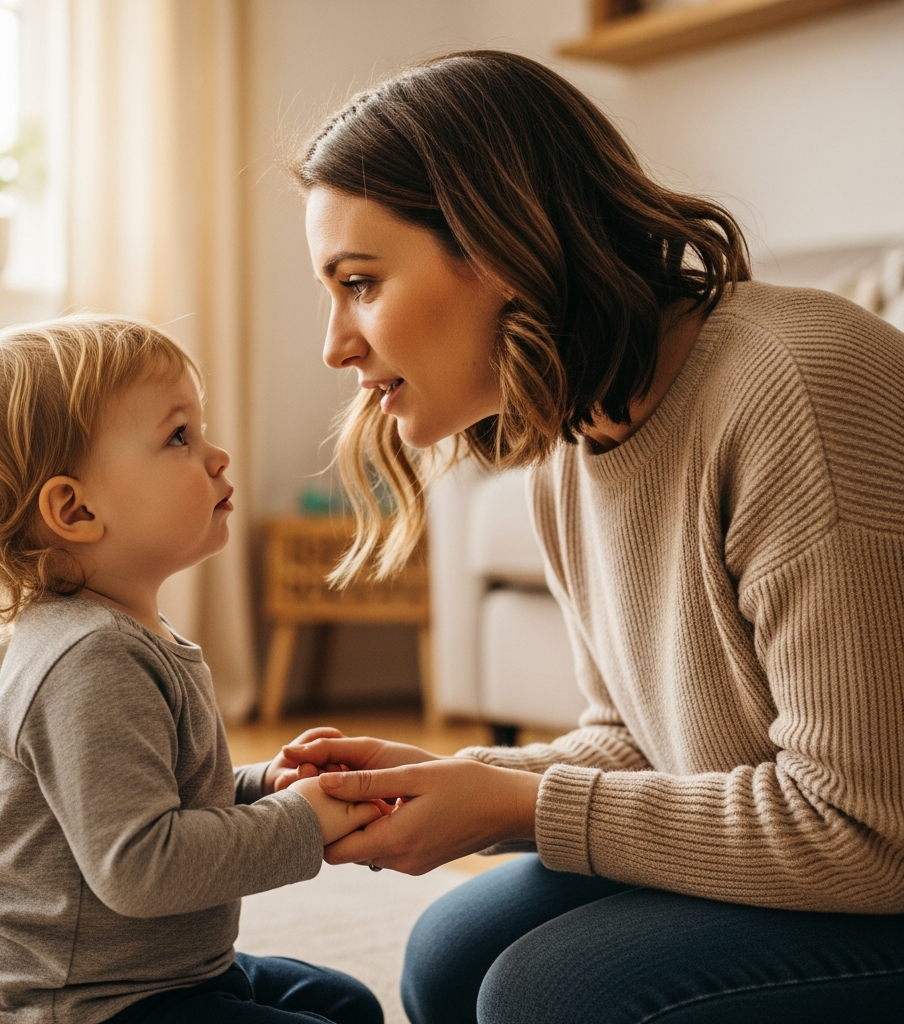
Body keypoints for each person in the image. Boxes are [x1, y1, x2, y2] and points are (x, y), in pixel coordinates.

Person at [281, 50, 904, 1023]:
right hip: (832, 845)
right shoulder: (572, 442)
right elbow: (639, 738)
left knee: (544, 998)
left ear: (498, 248)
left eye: (359, 282)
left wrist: (519, 806)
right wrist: (458, 782)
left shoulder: (798, 387)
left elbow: (869, 826)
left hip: (879, 857)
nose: (335, 344)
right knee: (449, 958)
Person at [0, 316, 386, 1024]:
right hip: (74, 1003)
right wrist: (298, 825)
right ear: (75, 507)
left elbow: (163, 802)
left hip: (158, 972)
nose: (217, 456)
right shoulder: (89, 659)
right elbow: (143, 866)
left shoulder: (125, 635)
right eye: (179, 436)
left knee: (345, 1005)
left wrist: (263, 787)